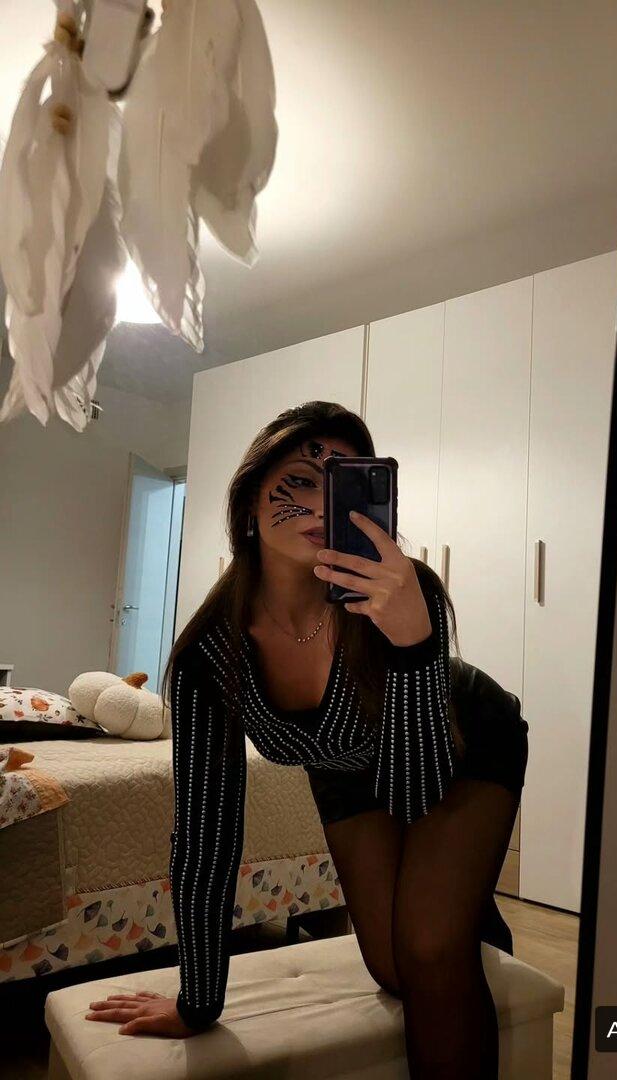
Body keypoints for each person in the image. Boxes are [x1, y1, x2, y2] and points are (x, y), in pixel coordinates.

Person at [85, 401, 529, 1079]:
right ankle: (464, 909)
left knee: (431, 950)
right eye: (298, 480)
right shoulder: (212, 655)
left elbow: (418, 792)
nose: (322, 503)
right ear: (249, 504)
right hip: (346, 773)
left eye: (344, 483)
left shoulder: (401, 593)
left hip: (460, 748)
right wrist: (198, 1002)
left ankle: (453, 912)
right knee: (393, 968)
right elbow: (205, 832)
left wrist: (413, 642)